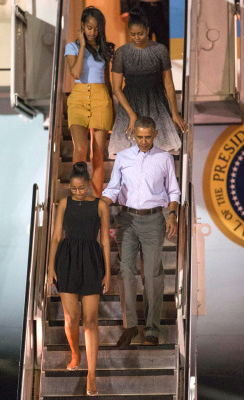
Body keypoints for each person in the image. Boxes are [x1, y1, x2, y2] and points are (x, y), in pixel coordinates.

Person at [101, 116, 180, 347]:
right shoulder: (123, 157)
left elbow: (173, 191)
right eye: (140, 137)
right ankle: (130, 326)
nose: (144, 141)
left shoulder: (165, 158)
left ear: (155, 134)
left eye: (148, 137)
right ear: (133, 135)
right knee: (126, 271)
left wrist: (172, 215)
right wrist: (100, 205)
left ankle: (152, 329)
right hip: (126, 218)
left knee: (152, 275)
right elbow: (114, 187)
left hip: (154, 218)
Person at [47, 162, 110, 396]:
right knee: (72, 318)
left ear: (89, 185)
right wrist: (50, 267)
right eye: (73, 189)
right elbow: (55, 238)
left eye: (82, 188)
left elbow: (105, 240)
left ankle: (91, 376)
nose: (78, 192)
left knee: (91, 321)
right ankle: (75, 354)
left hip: (92, 260)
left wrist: (107, 272)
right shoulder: (64, 203)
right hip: (67, 260)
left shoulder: (100, 206)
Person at [109, 8, 187, 158]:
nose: (137, 37)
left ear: (147, 30)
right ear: (128, 31)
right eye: (133, 34)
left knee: (160, 152)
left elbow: (168, 84)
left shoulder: (160, 50)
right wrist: (131, 114)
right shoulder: (122, 53)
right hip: (130, 103)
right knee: (129, 154)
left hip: (156, 102)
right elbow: (116, 89)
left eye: (141, 33)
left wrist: (174, 112)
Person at [65, 6, 114, 197]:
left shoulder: (105, 48)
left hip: (101, 98)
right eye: (89, 27)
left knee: (98, 154)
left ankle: (95, 199)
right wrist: (83, 46)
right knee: (81, 148)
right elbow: (76, 73)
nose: (92, 32)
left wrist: (113, 106)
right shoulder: (72, 47)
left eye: (96, 28)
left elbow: (108, 80)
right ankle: (78, 195)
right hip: (78, 98)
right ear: (82, 27)